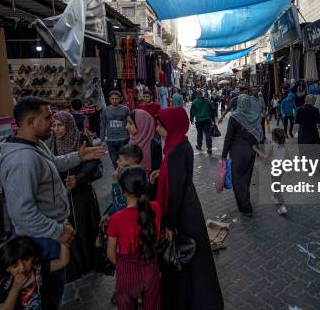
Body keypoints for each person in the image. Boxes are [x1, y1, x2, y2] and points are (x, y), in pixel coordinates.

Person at [0, 96, 105, 309]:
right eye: (47, 118)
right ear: (30, 122)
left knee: (53, 293)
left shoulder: (35, 146)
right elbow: (22, 212)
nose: (52, 123)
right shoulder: (21, 161)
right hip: (41, 238)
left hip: (49, 234)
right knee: (45, 297)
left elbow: (53, 163)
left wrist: (79, 156)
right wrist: (57, 231)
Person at [153, 107, 224, 309]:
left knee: (185, 255)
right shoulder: (181, 143)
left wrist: (168, 224)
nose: (157, 129)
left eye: (160, 125)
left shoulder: (175, 150)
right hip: (190, 206)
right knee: (196, 258)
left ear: (171, 126)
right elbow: (177, 176)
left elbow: (174, 193)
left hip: (183, 213)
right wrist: (162, 173)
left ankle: (191, 299)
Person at [46, 111, 101, 281]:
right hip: (62, 195)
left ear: (68, 124)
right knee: (68, 228)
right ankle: (74, 264)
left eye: (60, 125)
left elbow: (93, 162)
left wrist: (78, 178)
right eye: (53, 125)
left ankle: (90, 261)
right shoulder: (50, 143)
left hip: (82, 192)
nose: (56, 129)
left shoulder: (81, 138)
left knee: (85, 226)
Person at [107, 166, 162, 310]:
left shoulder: (116, 219)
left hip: (126, 274)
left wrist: (123, 266)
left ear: (122, 191)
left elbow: (111, 255)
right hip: (151, 269)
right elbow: (155, 239)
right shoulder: (155, 207)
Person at [0, 236, 70, 310]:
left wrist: (63, 241)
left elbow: (62, 262)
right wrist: (16, 287)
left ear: (32, 257)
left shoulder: (37, 268)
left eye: (26, 260)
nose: (22, 267)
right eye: (15, 265)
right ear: (7, 268)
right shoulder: (5, 284)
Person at [222, 94, 263, 216]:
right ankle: (245, 203)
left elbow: (228, 138)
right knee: (246, 178)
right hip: (250, 152)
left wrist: (224, 154)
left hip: (237, 152)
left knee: (237, 180)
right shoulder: (255, 116)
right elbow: (258, 135)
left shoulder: (235, 117)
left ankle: (245, 207)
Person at [253, 128, 288, 215]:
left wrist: (256, 150)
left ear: (274, 138)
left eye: (272, 135)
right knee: (277, 183)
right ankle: (275, 197)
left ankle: (282, 206)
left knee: (276, 186)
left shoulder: (272, 145)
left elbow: (265, 156)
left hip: (276, 168)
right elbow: (287, 156)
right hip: (282, 168)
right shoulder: (284, 144)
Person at [101, 90, 130, 169]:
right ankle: (118, 173)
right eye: (112, 98)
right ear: (109, 99)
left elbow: (130, 123)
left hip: (123, 139)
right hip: (111, 140)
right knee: (114, 160)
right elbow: (103, 125)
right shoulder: (105, 110)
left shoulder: (125, 109)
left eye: (116, 98)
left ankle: (124, 174)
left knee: (124, 160)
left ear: (120, 99)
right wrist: (102, 140)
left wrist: (130, 136)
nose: (114, 100)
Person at [127, 109, 162, 174]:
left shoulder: (154, 145)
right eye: (127, 123)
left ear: (141, 123)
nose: (126, 126)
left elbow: (157, 170)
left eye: (130, 123)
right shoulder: (131, 140)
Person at [190, 90, 215, 155]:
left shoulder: (195, 102)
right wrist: (213, 119)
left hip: (199, 120)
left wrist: (191, 119)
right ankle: (209, 148)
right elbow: (211, 110)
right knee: (208, 133)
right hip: (207, 119)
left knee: (199, 133)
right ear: (202, 94)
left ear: (197, 95)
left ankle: (199, 145)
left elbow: (192, 111)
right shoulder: (207, 101)